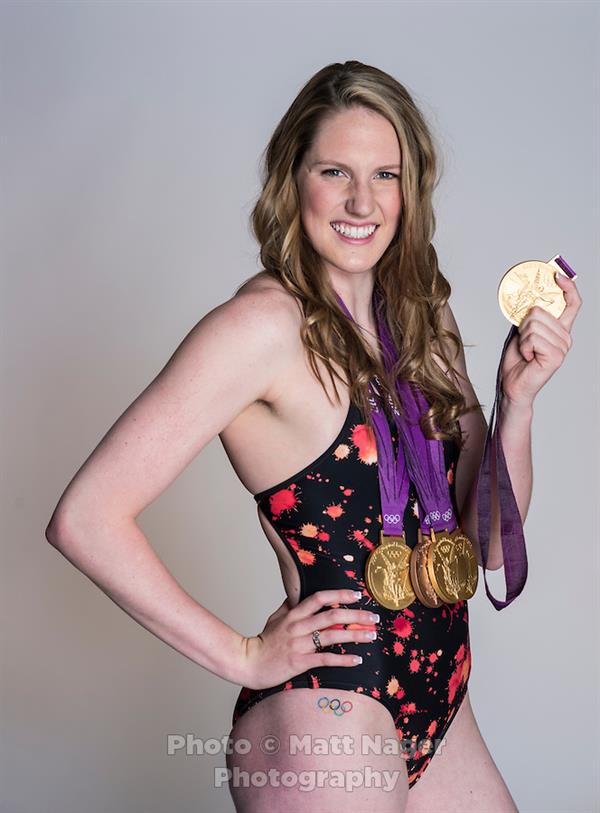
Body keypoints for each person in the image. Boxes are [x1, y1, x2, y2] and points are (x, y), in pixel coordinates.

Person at [45, 60, 581, 813]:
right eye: (336, 170)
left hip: (444, 699)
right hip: (332, 708)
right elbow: (85, 518)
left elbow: (487, 543)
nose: (363, 200)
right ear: (294, 180)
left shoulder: (425, 320)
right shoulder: (260, 329)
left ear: (410, 188)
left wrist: (517, 403)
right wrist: (242, 653)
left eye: (385, 174)